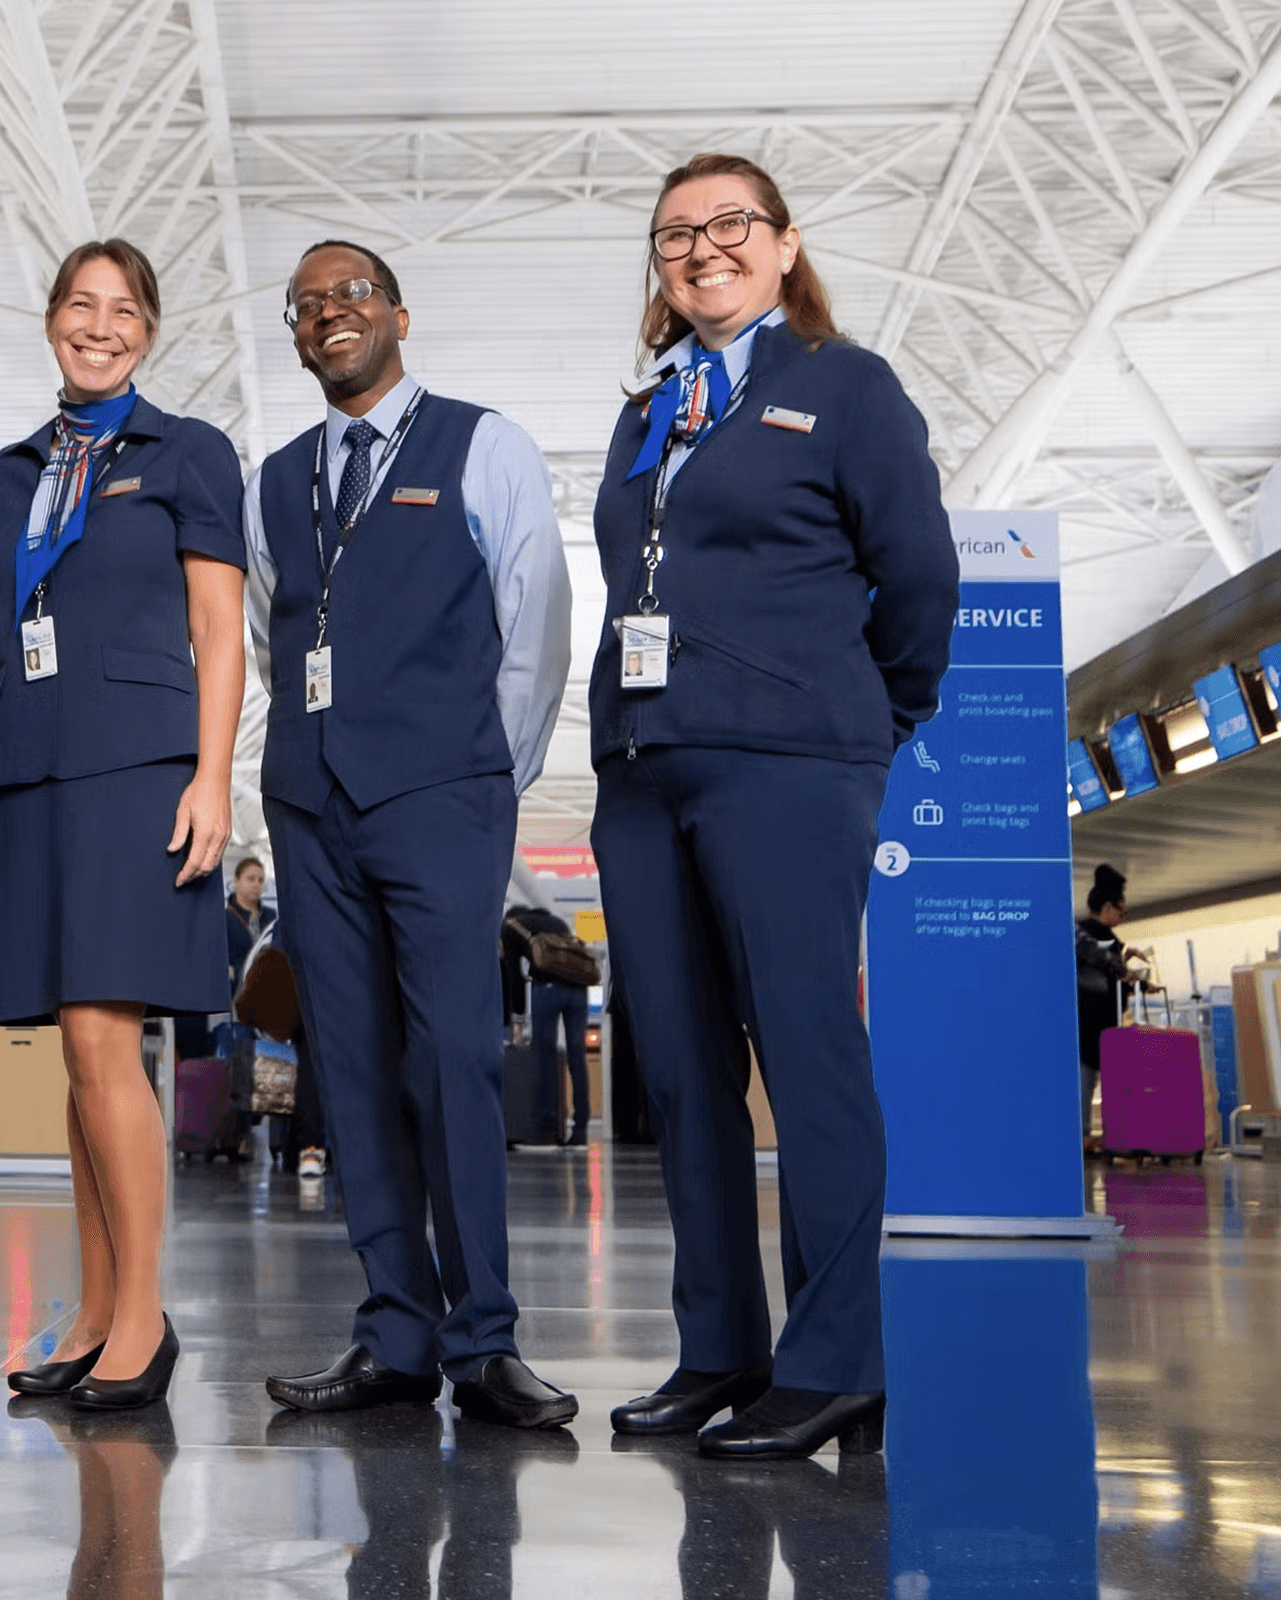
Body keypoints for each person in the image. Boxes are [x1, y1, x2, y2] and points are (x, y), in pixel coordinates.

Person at [589, 154, 959, 1459]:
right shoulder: (651, 413)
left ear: (788, 247)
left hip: (788, 764)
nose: (704, 248)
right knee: (686, 1080)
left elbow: (919, 579)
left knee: (807, 1058)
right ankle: (720, 1351)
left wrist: (869, 721)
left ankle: (840, 1356)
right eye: (677, 233)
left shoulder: (844, 389)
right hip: (642, 773)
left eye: (732, 225)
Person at [248, 238, 576, 1428]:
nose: (329, 312)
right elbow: (272, 627)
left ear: (396, 312)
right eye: (306, 304)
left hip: (444, 792)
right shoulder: (276, 477)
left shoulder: (484, 444)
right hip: (311, 799)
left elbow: (535, 614)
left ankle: (483, 1336)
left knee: (453, 1058)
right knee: (349, 1060)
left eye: (350, 294)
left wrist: (491, 770)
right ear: (294, 334)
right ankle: (394, 1329)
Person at [0, 239, 245, 1411]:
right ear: (50, 321)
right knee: (69, 1055)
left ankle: (143, 1312)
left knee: (103, 1039)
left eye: (123, 309)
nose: (100, 325)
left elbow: (222, 630)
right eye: (81, 305)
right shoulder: (7, 469)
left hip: (138, 766)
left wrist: (212, 777)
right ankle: (92, 1304)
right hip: (29, 770)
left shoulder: (189, 452)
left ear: (147, 330)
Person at [504, 903, 591, 1147]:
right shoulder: (558, 923)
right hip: (578, 991)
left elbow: (514, 975)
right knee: (577, 1058)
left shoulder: (510, 927)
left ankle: (546, 1130)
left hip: (548, 991)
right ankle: (581, 1130)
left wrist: (517, 1014)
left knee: (545, 1058)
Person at [1076, 863, 1145, 1147]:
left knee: (1092, 1080)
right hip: (1090, 1023)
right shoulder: (1089, 937)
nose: (1122, 916)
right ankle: (1087, 1137)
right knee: (1089, 1079)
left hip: (1096, 1023)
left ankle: (1094, 1135)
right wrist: (1124, 973)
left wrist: (1129, 975)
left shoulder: (1097, 938)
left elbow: (1109, 978)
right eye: (1121, 910)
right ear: (1107, 906)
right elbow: (1100, 980)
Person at [224, 857, 275, 988]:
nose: (257, 884)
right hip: (237, 994)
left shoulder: (271, 916)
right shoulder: (225, 918)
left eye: (261, 880)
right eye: (251, 879)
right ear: (236, 881)